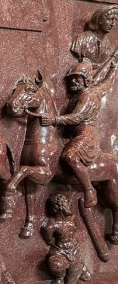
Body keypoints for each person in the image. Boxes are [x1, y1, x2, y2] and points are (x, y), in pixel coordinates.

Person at [41, 57, 118, 207]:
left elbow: (78, 117)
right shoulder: (86, 93)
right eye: (72, 79)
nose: (73, 82)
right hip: (72, 134)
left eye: (77, 79)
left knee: (69, 156)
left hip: (86, 134)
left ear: (86, 80)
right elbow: (106, 83)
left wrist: (54, 120)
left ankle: (89, 190)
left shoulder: (87, 96)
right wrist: (113, 69)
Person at [41, 193, 90, 284]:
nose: (68, 206)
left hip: (74, 249)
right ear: (57, 208)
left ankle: (80, 267)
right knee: (55, 265)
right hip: (60, 252)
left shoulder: (73, 219)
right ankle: (59, 277)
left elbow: (77, 227)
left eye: (67, 203)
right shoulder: (51, 226)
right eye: (65, 204)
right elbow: (49, 240)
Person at [70, 5, 118, 70]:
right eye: (109, 19)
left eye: (115, 20)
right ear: (100, 21)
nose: (113, 23)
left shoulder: (109, 46)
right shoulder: (82, 39)